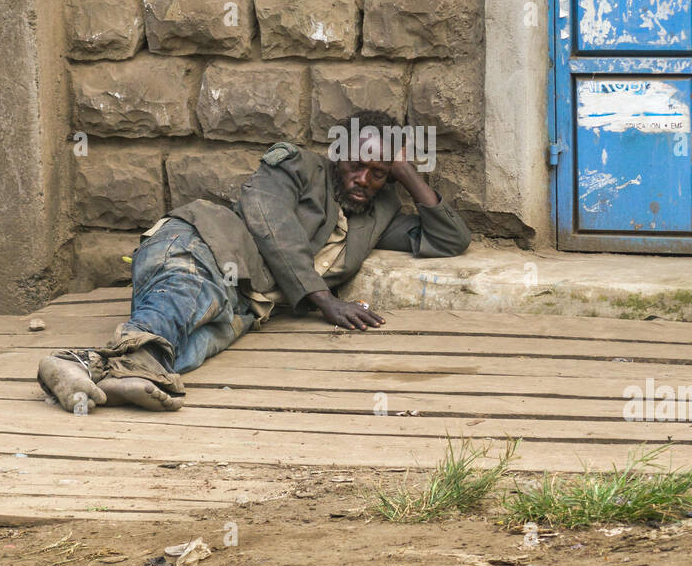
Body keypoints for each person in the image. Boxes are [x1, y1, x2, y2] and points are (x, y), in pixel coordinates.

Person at [37, 111, 472, 412]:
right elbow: (270, 223)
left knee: (186, 352)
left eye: (379, 173)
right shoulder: (297, 166)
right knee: (183, 299)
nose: (364, 179)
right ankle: (84, 364)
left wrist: (406, 172)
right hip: (202, 248)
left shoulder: (376, 213)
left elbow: (448, 238)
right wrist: (324, 300)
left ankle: (91, 369)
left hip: (244, 306)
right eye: (358, 165)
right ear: (337, 156)